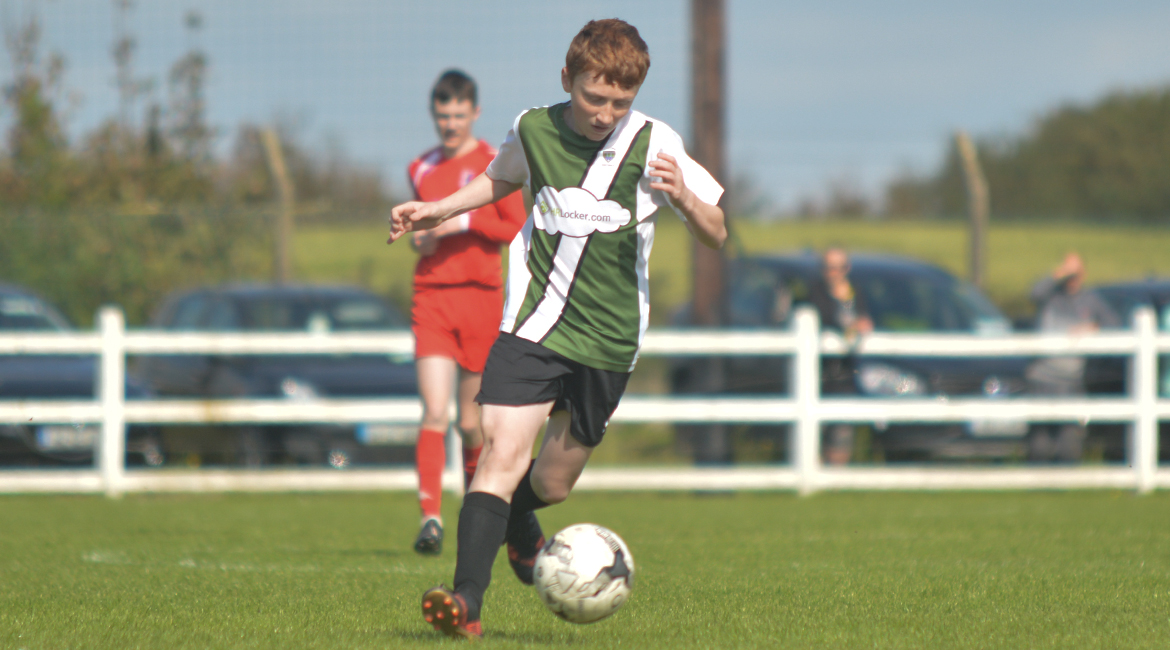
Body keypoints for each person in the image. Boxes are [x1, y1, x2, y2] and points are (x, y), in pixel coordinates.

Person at [388, 19, 726, 639]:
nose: (605, 113)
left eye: (619, 102)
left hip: (609, 341)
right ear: (566, 80)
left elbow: (718, 231)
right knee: (500, 453)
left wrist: (687, 200)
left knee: (551, 482)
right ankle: (465, 603)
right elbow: (499, 179)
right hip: (533, 327)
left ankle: (519, 527)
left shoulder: (655, 143)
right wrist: (433, 209)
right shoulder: (533, 128)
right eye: (594, 97)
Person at [400, 70, 526, 556]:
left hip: (481, 299)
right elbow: (420, 232)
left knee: (470, 425)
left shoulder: (497, 162)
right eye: (442, 115)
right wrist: (422, 237)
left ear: (474, 112)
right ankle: (430, 517)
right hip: (432, 298)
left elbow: (513, 227)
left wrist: (454, 218)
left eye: (458, 114)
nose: (449, 124)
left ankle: (476, 513)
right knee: (434, 410)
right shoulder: (420, 167)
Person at [1026, 252, 1119, 462]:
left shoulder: (1090, 300)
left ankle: (1064, 480)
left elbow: (1113, 323)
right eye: (1069, 273)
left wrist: (1092, 327)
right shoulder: (1051, 296)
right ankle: (1037, 480)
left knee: (1068, 439)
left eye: (1075, 273)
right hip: (1042, 379)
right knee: (1040, 442)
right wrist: (1059, 272)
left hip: (1071, 381)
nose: (1072, 278)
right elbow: (1033, 292)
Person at [808, 247, 873, 465]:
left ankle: (836, 478)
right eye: (828, 268)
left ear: (847, 269)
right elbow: (824, 319)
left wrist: (862, 324)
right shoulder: (815, 293)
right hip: (821, 373)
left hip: (846, 372)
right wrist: (850, 326)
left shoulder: (856, 293)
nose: (834, 273)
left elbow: (864, 319)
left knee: (842, 431)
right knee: (817, 432)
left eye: (839, 268)